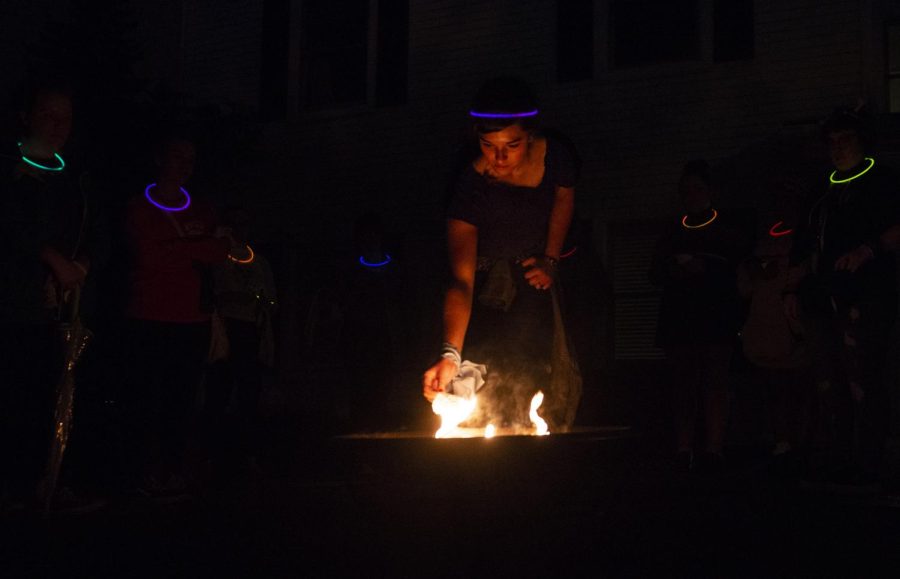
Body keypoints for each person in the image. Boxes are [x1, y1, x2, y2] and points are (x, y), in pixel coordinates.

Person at [422, 76, 581, 432]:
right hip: (487, 288)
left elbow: (563, 198)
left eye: (512, 144)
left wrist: (551, 259)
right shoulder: (468, 184)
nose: (499, 157)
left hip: (535, 281)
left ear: (531, 135)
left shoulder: (557, 155)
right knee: (478, 370)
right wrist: (449, 353)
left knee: (538, 371)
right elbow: (461, 280)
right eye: (488, 145)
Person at [0, 82, 108, 512]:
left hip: (63, 310)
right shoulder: (8, 169)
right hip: (13, 307)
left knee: (52, 395)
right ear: (27, 115)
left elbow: (98, 234)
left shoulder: (77, 179)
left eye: (66, 117)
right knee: (14, 393)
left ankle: (47, 479)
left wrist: (81, 264)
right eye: (48, 114)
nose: (59, 125)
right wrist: (49, 258)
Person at [786, 106, 900, 488]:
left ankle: (868, 461)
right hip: (822, 299)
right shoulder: (821, 190)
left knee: (862, 377)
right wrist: (792, 288)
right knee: (828, 380)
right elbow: (802, 245)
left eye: (845, 139)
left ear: (861, 141)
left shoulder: (882, 180)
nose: (837, 148)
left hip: (864, 296)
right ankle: (838, 457)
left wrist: (867, 250)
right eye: (832, 141)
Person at [119, 133, 229, 498]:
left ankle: (172, 472)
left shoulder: (203, 208)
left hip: (191, 321)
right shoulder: (138, 206)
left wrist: (178, 249)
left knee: (181, 402)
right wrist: (195, 249)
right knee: (146, 399)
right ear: (159, 158)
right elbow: (147, 257)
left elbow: (219, 252)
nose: (185, 166)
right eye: (178, 156)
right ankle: (140, 474)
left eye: (191, 159)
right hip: (148, 317)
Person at [649, 160, 748, 472]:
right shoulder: (672, 230)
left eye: (698, 189)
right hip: (680, 318)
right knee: (684, 384)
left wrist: (707, 269)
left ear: (710, 192)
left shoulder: (726, 230)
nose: (692, 195)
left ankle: (714, 448)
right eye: (686, 190)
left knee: (716, 382)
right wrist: (674, 270)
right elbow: (653, 273)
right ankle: (684, 448)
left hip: (716, 318)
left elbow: (740, 272)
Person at [202, 205, 277, 477]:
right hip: (224, 330)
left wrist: (258, 304)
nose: (240, 230)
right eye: (235, 224)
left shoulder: (260, 262)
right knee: (218, 393)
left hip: (250, 332)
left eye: (244, 224)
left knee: (249, 395)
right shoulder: (219, 257)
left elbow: (271, 300)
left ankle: (247, 454)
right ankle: (211, 454)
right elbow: (212, 292)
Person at [737, 214, 812, 474]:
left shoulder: (806, 237)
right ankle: (782, 442)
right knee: (776, 387)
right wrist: (756, 271)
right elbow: (744, 287)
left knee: (801, 387)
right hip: (765, 328)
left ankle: (803, 442)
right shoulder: (760, 245)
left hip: (794, 323)